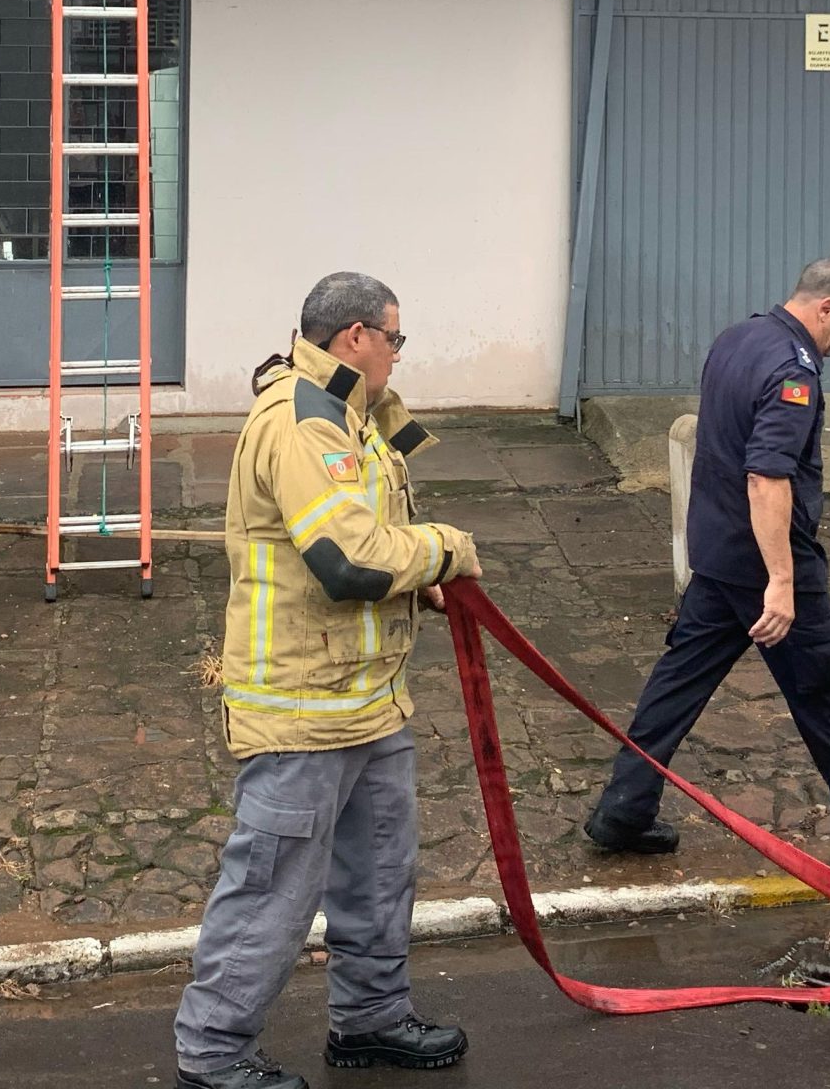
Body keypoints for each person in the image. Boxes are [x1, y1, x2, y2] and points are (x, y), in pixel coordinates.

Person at [173, 271, 482, 1089]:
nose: (397, 354)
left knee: (380, 873)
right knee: (271, 890)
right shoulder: (304, 422)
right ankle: (212, 1055)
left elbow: (371, 529)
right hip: (301, 708)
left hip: (367, 699)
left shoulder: (349, 411)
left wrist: (417, 577)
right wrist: (447, 551)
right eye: (395, 338)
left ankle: (371, 1021)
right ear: (355, 337)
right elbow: (347, 560)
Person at [582, 255, 830, 875]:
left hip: (717, 553)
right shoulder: (792, 370)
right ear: (826, 307)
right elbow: (767, 475)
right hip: (768, 561)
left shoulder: (740, 336)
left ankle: (623, 812)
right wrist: (781, 581)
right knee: (827, 694)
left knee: (677, 685)